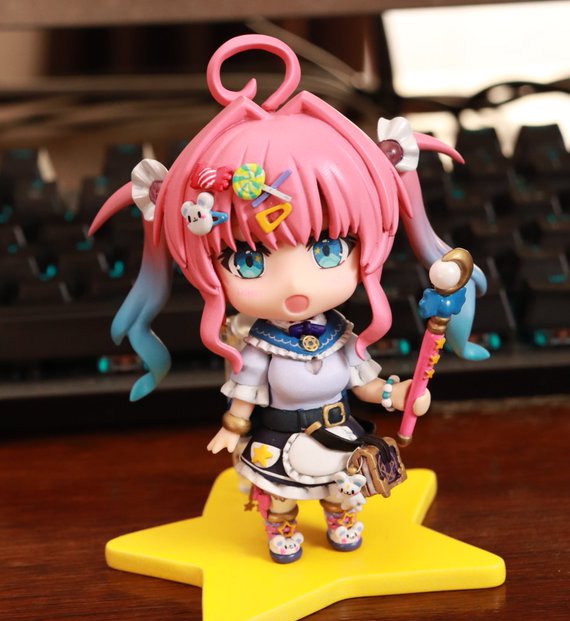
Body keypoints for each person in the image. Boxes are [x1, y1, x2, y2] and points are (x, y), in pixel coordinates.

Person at [90, 34, 487, 564]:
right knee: (281, 495)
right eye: (248, 261)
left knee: (342, 490)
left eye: (327, 249)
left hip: (340, 433)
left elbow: (364, 384)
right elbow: (247, 393)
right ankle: (281, 530)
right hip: (277, 440)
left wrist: (397, 396)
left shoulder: (342, 336)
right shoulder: (259, 344)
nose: (294, 284)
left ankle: (341, 520)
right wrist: (232, 427)